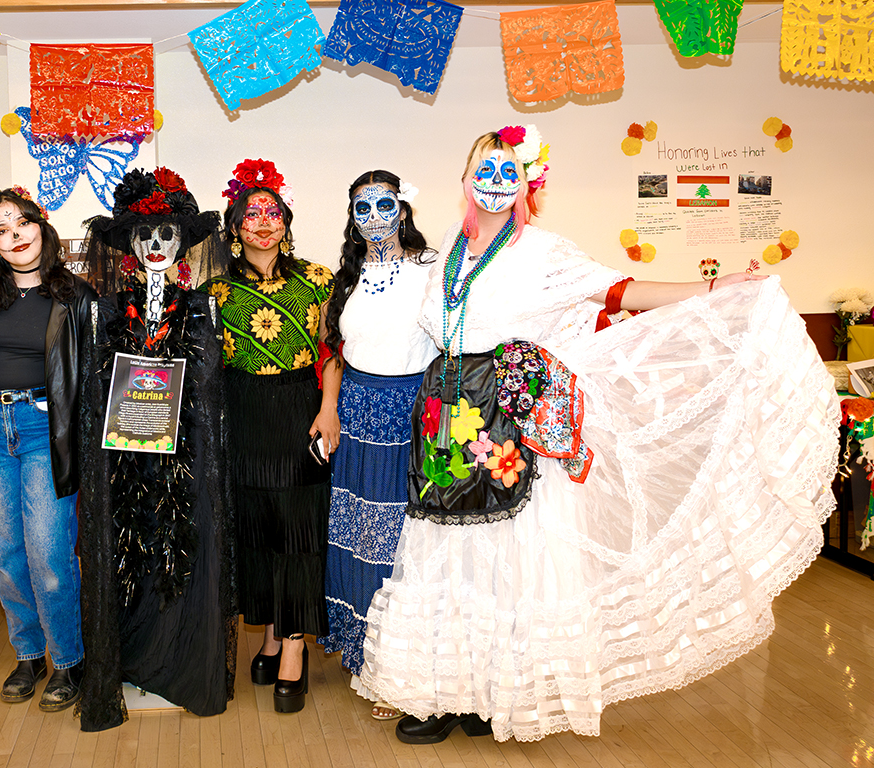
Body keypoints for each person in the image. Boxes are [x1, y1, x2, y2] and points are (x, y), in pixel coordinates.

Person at [357, 126, 839, 744]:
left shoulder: (547, 253)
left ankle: (492, 694)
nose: (496, 183)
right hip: (445, 415)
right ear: (465, 178)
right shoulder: (451, 246)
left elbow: (621, 291)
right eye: (485, 170)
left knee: (507, 557)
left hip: (507, 421)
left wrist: (718, 288)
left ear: (528, 182)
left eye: (510, 172)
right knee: (443, 550)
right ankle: (442, 690)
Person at [77, 167, 236, 731]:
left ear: (183, 243)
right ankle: (134, 657)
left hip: (186, 452)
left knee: (179, 545)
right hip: (125, 451)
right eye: (146, 237)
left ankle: (176, 659)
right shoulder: (107, 309)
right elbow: (93, 388)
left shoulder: (199, 307)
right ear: (130, 246)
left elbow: (212, 388)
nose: (155, 247)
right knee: (131, 542)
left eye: (167, 236)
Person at [203, 159, 337, 714]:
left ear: (286, 222)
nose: (264, 222)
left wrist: (329, 409)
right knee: (255, 529)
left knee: (297, 529)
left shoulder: (319, 278)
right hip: (242, 414)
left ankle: (294, 652)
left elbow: (332, 352)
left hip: (300, 412)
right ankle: (271, 634)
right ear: (234, 227)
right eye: (251, 214)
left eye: (273, 213)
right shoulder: (214, 291)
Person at [0, 186, 95, 711]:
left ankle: (68, 659)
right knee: (7, 554)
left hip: (47, 430)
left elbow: (92, 372)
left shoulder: (76, 294)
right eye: (1, 228)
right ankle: (29, 653)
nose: (14, 234)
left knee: (50, 555)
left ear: (42, 228)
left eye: (22, 223)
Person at [316, 170, 436, 721]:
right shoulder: (346, 276)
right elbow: (335, 352)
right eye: (361, 209)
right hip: (356, 412)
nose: (373, 218)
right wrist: (329, 410)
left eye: (383, 205)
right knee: (358, 531)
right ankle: (365, 649)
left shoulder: (431, 269)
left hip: (410, 414)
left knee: (399, 538)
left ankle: (400, 662)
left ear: (403, 210)